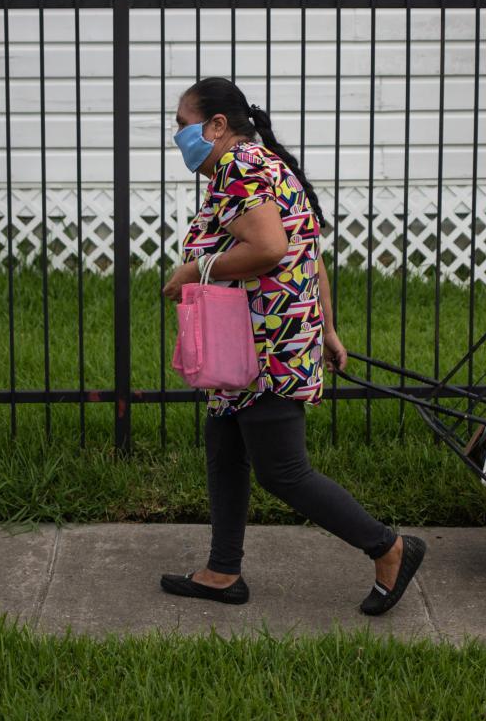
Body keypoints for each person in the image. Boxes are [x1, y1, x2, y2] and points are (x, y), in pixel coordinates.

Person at [159, 77, 425, 616]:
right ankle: (222, 570)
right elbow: (309, 255)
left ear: (216, 126)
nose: (176, 135)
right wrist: (327, 329)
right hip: (259, 338)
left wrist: (192, 271)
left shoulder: (240, 168)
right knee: (225, 447)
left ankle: (390, 548)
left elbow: (272, 246)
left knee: (283, 471)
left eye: (182, 124)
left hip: (264, 344)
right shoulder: (265, 165)